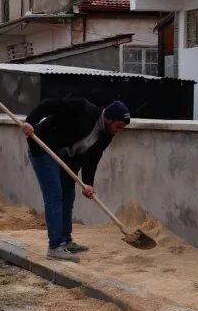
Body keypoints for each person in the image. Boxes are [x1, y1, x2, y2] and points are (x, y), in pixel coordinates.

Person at [19, 98, 131, 263]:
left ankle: (65, 240)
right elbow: (50, 104)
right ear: (109, 119)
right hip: (44, 148)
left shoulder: (107, 134)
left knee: (68, 194)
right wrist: (30, 122)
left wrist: (88, 183)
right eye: (118, 126)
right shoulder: (82, 108)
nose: (118, 130)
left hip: (66, 158)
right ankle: (55, 246)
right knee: (55, 194)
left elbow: (93, 158)